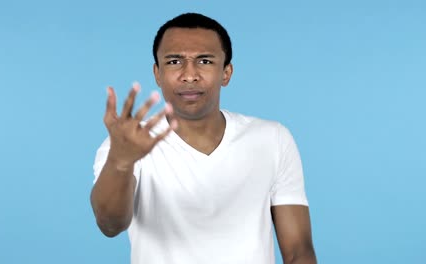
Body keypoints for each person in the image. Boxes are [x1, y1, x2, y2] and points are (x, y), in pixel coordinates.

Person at [91, 12, 317, 264]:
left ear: (226, 73)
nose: (189, 75)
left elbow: (299, 250)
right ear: (157, 73)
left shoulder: (272, 139)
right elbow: (110, 224)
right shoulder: (125, 145)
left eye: (205, 61)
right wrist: (121, 162)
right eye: (174, 62)